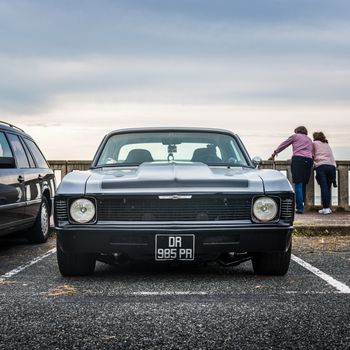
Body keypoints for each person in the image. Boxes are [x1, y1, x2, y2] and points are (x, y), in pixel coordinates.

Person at [269, 126, 313, 214]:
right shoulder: (309, 139)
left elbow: (284, 145)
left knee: (298, 183)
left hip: (298, 160)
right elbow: (311, 152)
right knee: (303, 184)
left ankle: (300, 208)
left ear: (297, 131)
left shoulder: (295, 136)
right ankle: (302, 204)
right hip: (308, 161)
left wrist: (274, 154)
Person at [313, 131, 337, 214]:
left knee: (323, 187)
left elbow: (311, 155)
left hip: (321, 166)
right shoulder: (327, 145)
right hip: (331, 167)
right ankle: (327, 208)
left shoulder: (314, 143)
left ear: (315, 137)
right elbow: (332, 157)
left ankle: (326, 208)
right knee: (328, 187)